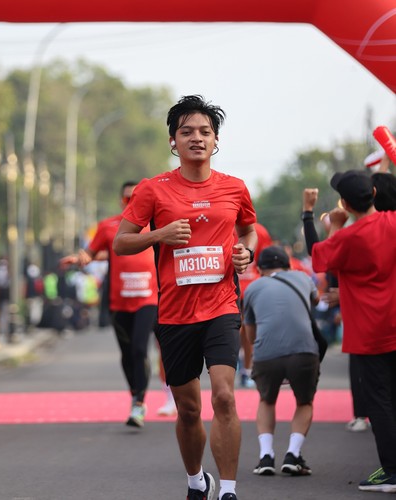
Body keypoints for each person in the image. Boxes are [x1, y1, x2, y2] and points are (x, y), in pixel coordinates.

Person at [113, 95, 257, 500]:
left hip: (222, 306)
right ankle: (197, 481)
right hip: (175, 314)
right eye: (187, 131)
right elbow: (121, 243)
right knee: (190, 410)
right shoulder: (153, 189)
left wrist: (246, 253)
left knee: (225, 397)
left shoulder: (234, 187)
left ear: (216, 141)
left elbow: (248, 230)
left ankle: (228, 489)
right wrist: (159, 235)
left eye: (205, 132)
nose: (197, 138)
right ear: (173, 141)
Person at [310, 170, 396, 493]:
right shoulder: (393, 222)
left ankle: (392, 471)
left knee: (379, 402)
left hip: (368, 334)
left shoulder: (347, 238)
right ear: (373, 193)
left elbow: (319, 260)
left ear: (344, 204)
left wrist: (333, 224)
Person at [62, 181, 158, 428]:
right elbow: (93, 253)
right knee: (127, 353)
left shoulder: (157, 225)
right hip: (118, 301)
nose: (131, 202)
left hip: (148, 299)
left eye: (136, 198)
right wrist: (82, 258)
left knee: (140, 349)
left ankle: (139, 403)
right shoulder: (108, 226)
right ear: (120, 201)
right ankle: (135, 392)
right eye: (127, 199)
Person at [243, 245, 320, 477]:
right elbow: (315, 301)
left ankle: (266, 456)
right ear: (288, 265)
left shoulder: (252, 288)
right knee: (304, 401)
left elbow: (250, 333)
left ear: (259, 269)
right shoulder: (303, 278)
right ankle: (293, 454)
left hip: (266, 354)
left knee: (267, 400)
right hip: (303, 350)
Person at [235, 222, 273, 388]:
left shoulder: (260, 231)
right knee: (242, 329)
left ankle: (246, 368)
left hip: (249, 288)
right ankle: (243, 366)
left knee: (245, 330)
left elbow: (266, 260)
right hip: (236, 287)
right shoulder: (225, 225)